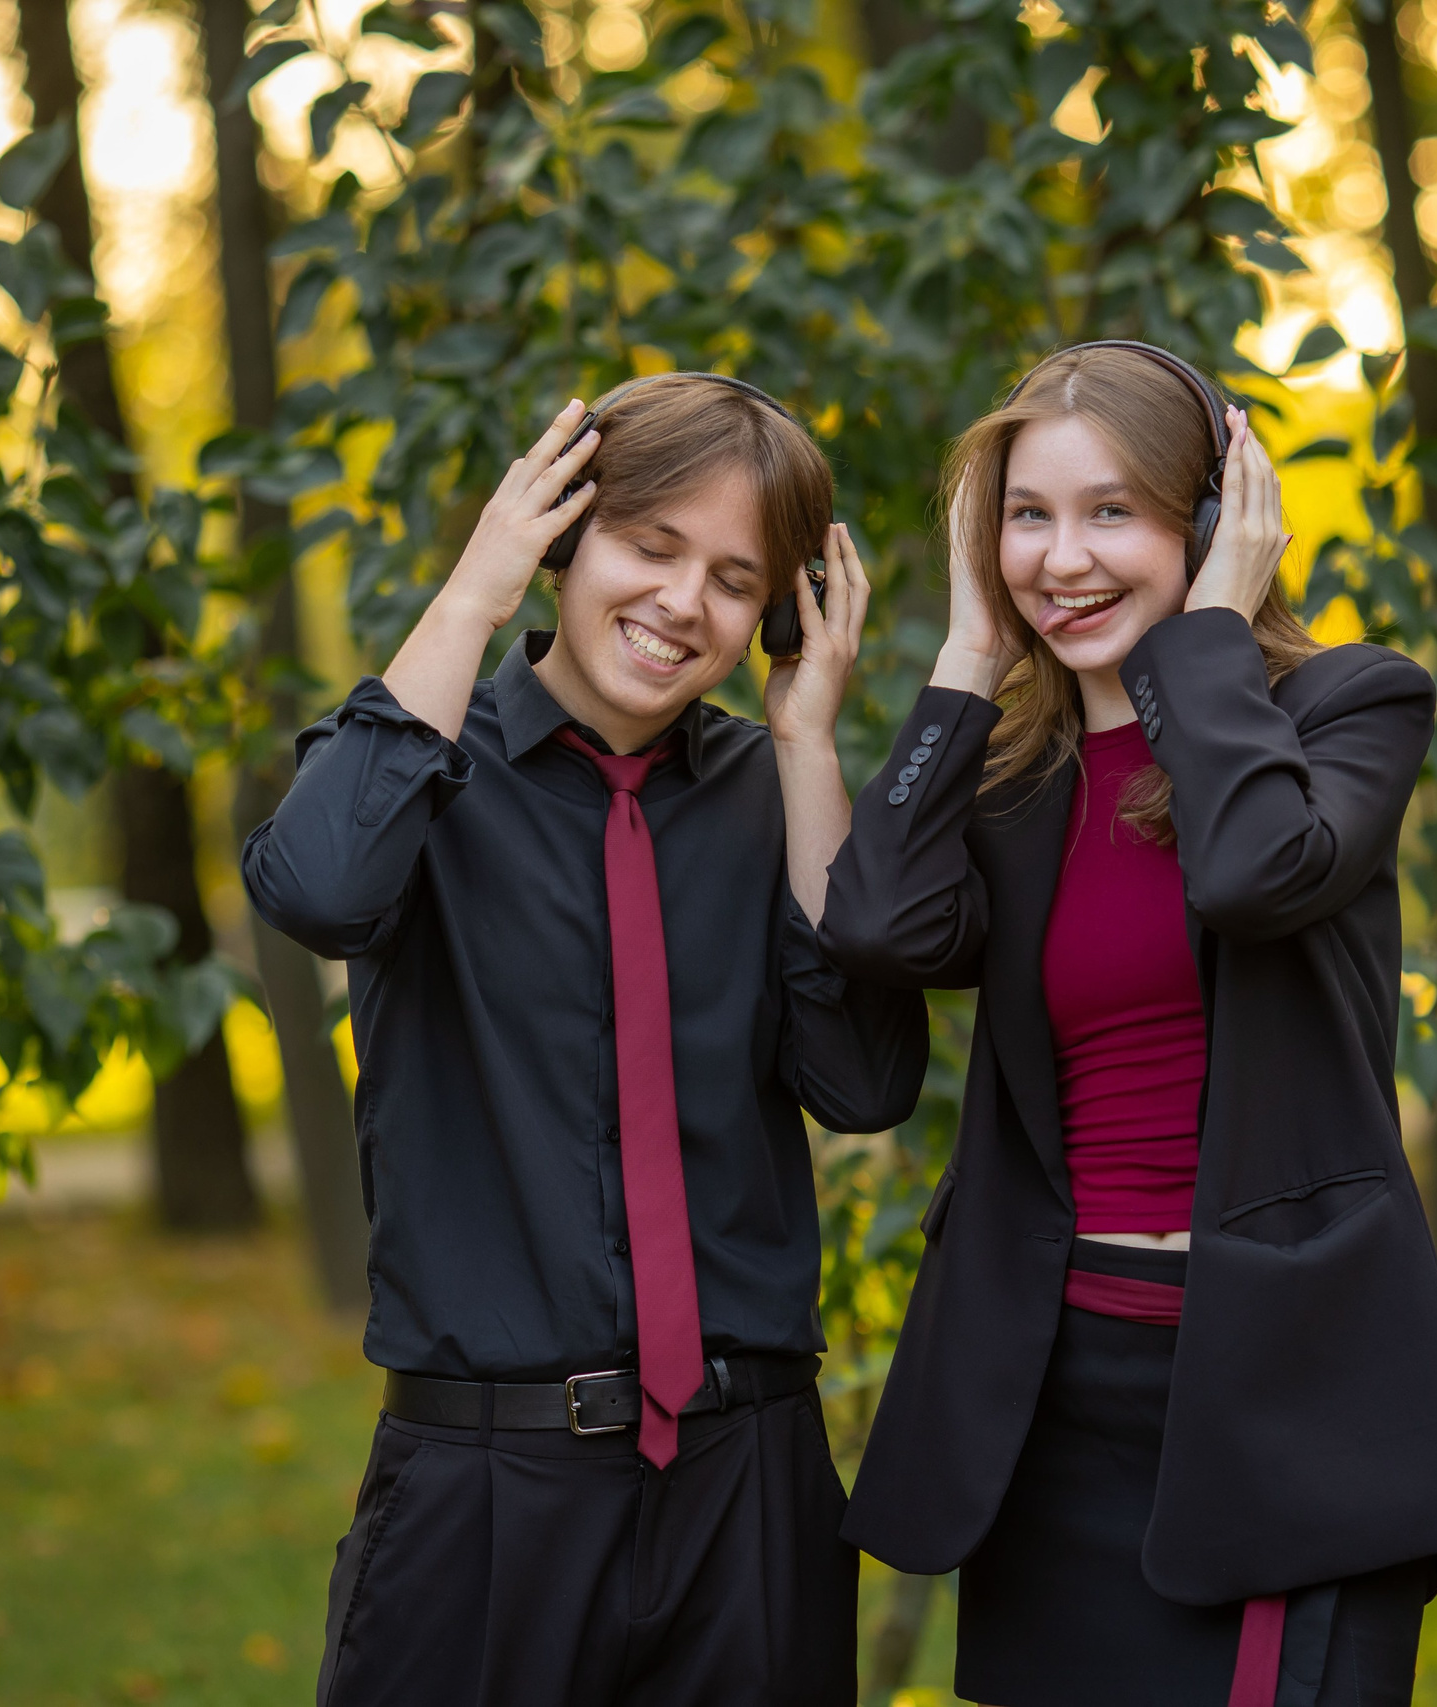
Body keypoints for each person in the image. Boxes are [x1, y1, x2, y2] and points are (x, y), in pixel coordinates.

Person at [819, 343, 1437, 1707]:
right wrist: (966, 657)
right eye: (1029, 515)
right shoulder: (1019, 780)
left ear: (1212, 527)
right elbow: (879, 929)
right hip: (1053, 1400)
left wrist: (1206, 636)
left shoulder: (1348, 707)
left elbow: (1258, 875)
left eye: (1113, 512)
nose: (1063, 559)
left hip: (1280, 1399)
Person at [242, 373, 927, 1707]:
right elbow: (315, 894)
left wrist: (808, 748)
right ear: (562, 536)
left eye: (736, 580)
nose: (682, 604)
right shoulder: (418, 766)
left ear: (778, 611)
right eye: (649, 546)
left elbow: (862, 1080)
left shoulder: (771, 797)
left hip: (751, 1487)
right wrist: (474, 589)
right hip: (486, 1495)